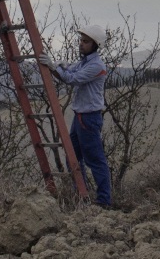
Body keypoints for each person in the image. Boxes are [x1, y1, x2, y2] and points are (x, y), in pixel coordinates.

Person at [39, 29, 112, 206]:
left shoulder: (96, 66)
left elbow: (72, 79)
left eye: (86, 41)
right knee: (72, 157)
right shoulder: (85, 62)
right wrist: (59, 66)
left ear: (95, 45)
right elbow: (69, 70)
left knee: (94, 160)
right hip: (81, 117)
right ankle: (81, 195)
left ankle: (103, 202)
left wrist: (52, 67)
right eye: (81, 40)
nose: (81, 43)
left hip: (89, 118)